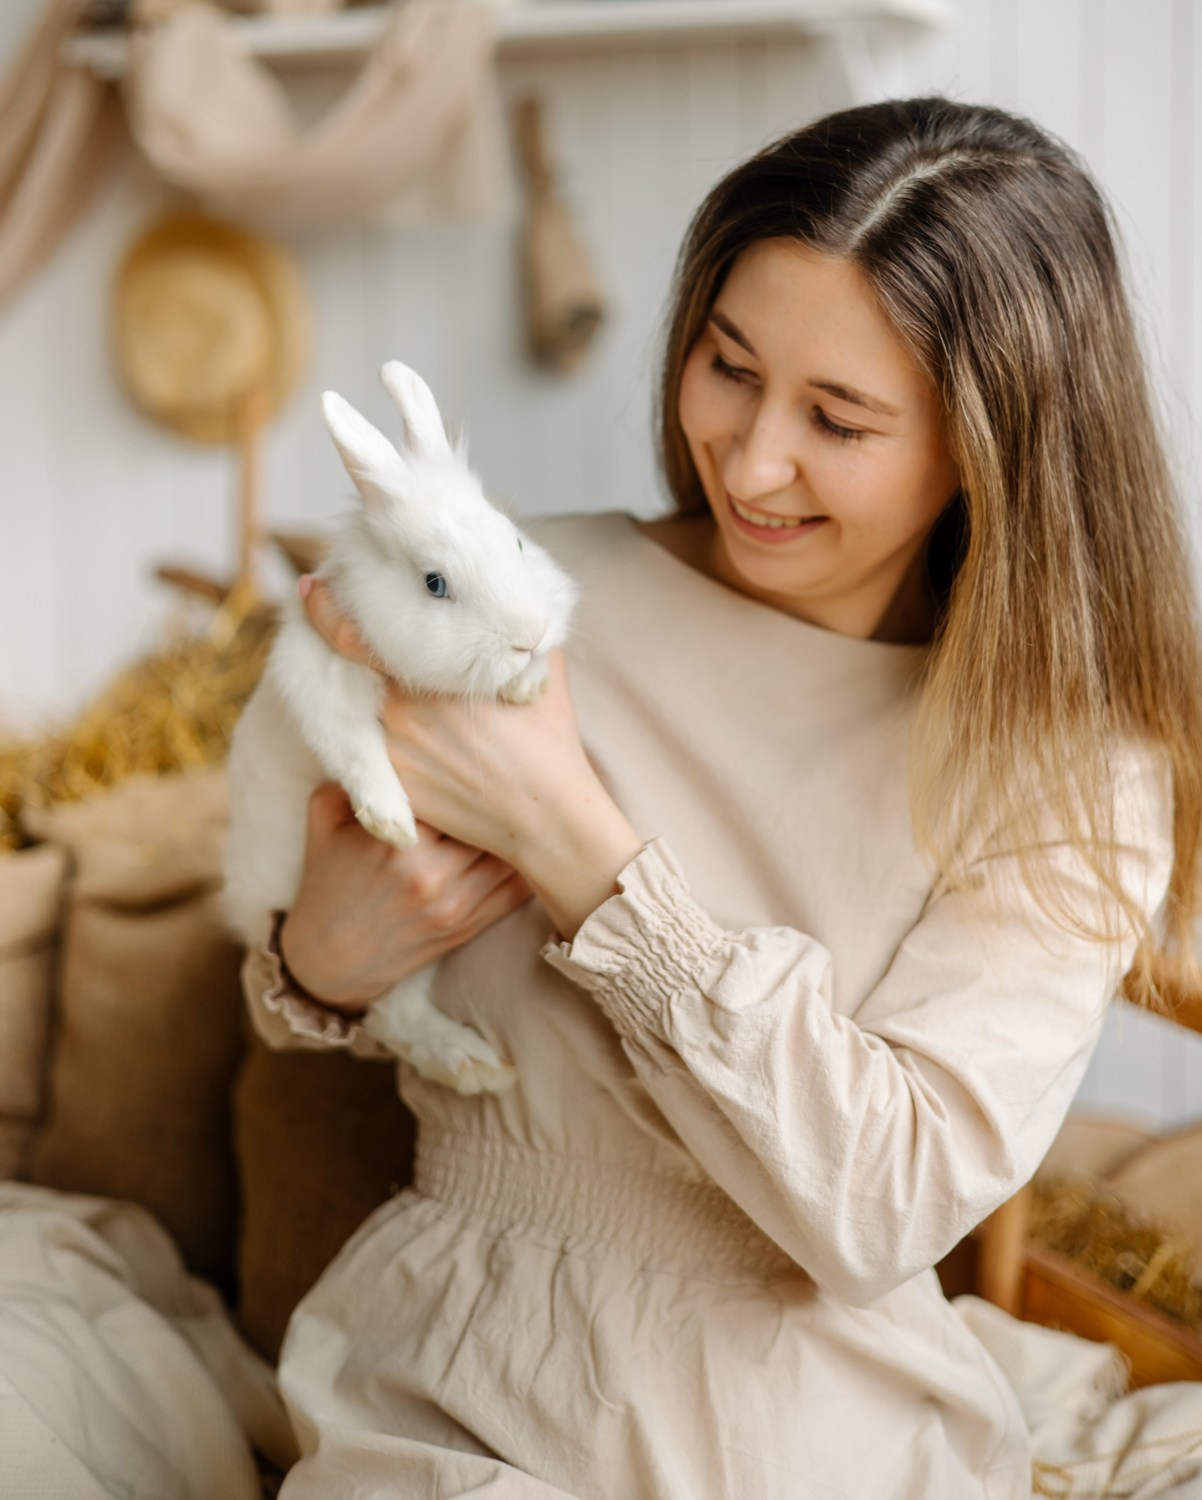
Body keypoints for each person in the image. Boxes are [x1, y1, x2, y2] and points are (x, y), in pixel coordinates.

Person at [242, 96, 1202, 1500]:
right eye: (727, 367)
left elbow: (879, 1209)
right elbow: (305, 914)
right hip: (449, 1386)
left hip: (817, 1426)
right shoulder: (516, 594)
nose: (751, 460)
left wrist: (574, 841)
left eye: (841, 419)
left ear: (989, 450)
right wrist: (317, 962)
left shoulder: (1067, 763)